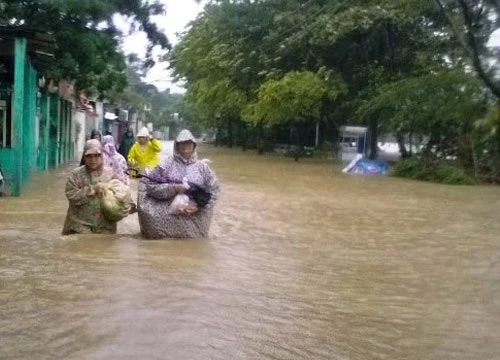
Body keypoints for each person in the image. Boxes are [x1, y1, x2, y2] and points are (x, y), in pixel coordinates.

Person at [137, 129, 220, 239]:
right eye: (182, 143)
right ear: (177, 145)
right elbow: (150, 185)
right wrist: (174, 188)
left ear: (194, 145)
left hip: (194, 224)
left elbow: (214, 190)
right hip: (166, 222)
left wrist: (199, 206)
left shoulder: (202, 167)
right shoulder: (166, 164)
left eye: (188, 143)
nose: (185, 146)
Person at [62, 139, 120, 235]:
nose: (93, 160)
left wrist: (127, 205)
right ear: (84, 157)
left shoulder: (110, 174)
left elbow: (120, 194)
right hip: (79, 225)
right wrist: (92, 190)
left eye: (97, 156)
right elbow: (71, 195)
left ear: (101, 156)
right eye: (89, 156)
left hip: (105, 226)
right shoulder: (76, 174)